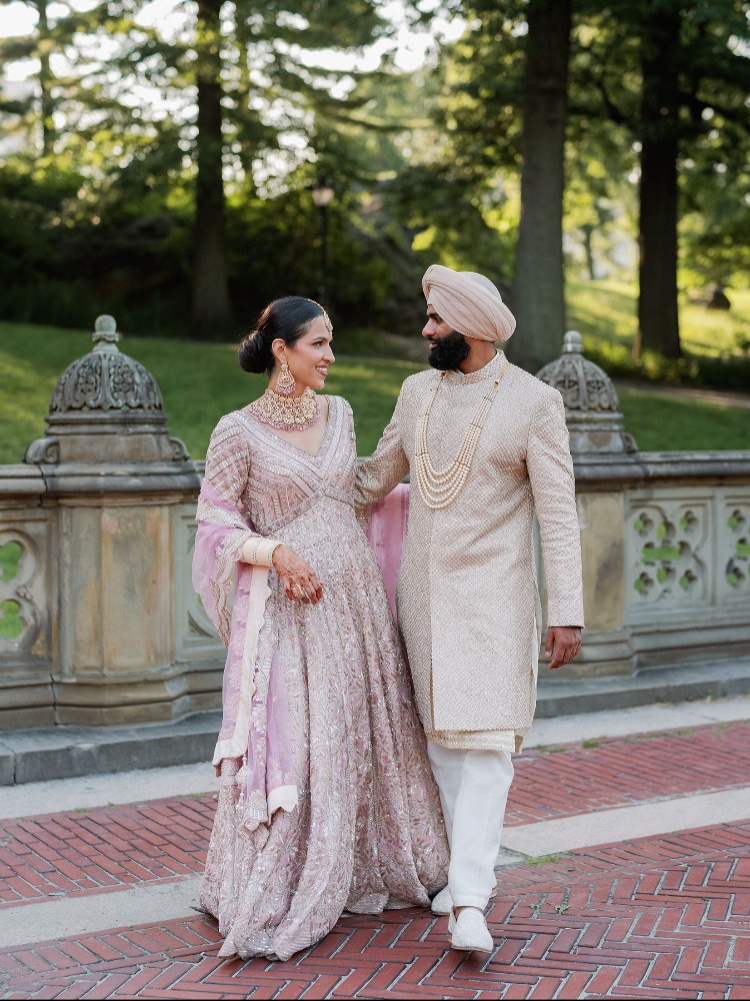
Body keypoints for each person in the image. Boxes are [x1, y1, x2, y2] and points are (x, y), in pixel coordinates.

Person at [193, 296, 448, 962]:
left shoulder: (342, 413)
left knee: (365, 728)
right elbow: (215, 525)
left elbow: (355, 493)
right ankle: (296, 871)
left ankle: (374, 860)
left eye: (331, 342)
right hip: (292, 608)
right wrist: (274, 553)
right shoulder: (236, 431)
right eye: (319, 344)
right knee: (306, 739)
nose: (331, 355)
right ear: (281, 349)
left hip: (357, 601)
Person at [354, 265, 584, 954]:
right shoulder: (417, 390)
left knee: (485, 750)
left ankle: (470, 906)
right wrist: (296, 475)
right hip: (422, 602)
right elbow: (374, 477)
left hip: (496, 601)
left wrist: (566, 608)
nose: (425, 331)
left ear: (474, 327)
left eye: (436, 320)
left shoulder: (534, 402)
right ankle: (462, 877)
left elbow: (559, 515)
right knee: (443, 750)